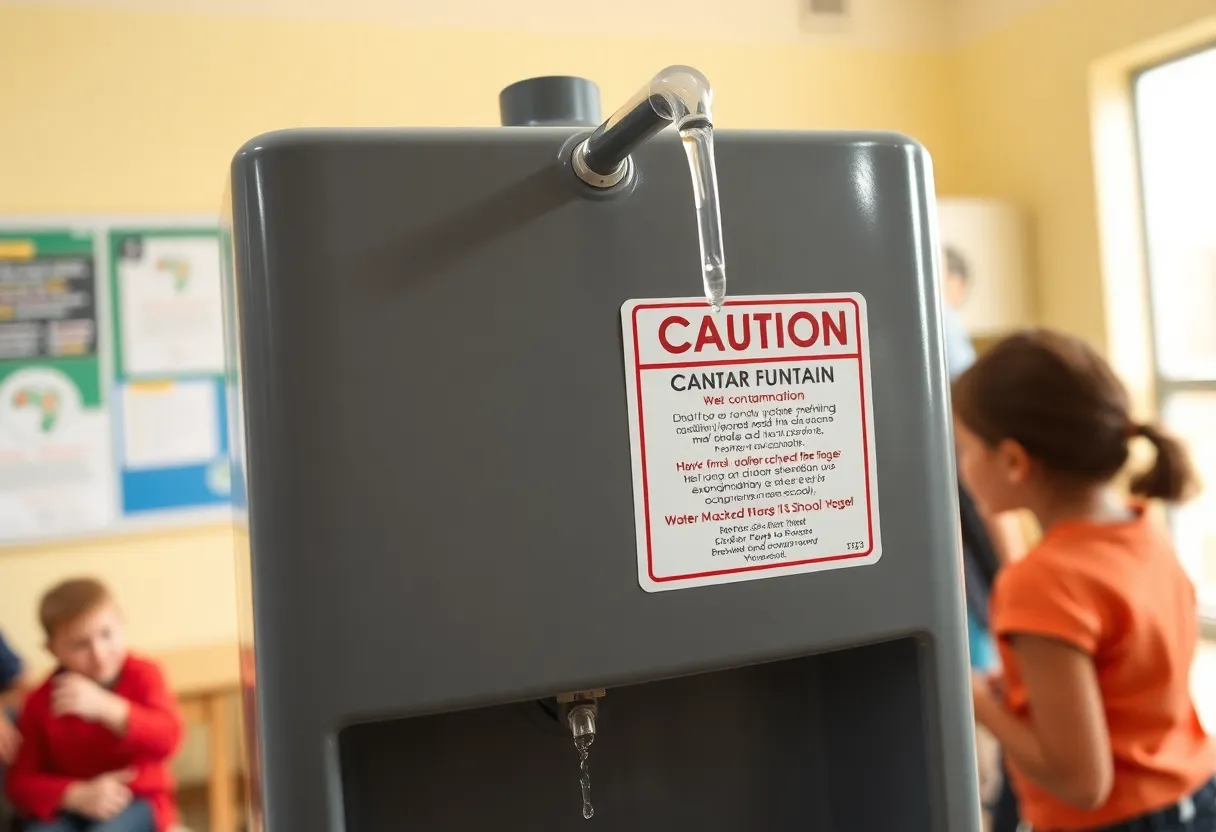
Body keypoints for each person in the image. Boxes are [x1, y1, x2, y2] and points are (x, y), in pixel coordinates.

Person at [954, 329, 1216, 832]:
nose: (961, 468)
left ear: (1013, 461)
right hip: (1193, 799)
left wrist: (974, 698)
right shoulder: (1142, 530)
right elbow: (1129, 683)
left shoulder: (1041, 581)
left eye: (965, 449)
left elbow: (1080, 783)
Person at [5, 578, 185, 832]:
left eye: (106, 634)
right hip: (66, 807)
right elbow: (20, 784)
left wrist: (108, 707)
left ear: (122, 625)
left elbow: (170, 739)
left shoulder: (145, 675)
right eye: (80, 644)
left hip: (134, 801)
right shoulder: (40, 701)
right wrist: (74, 794)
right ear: (52, 649)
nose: (99, 653)